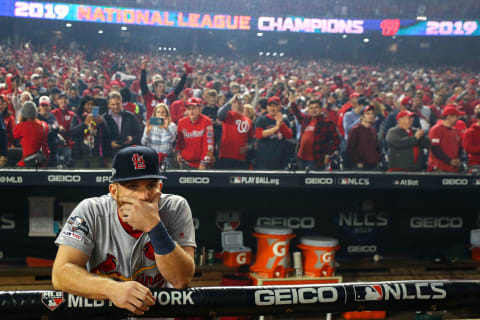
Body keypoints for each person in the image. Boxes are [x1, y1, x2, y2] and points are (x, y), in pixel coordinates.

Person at [52, 145, 196, 317]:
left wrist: (154, 226)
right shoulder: (91, 210)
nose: (144, 196)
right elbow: (61, 273)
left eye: (151, 185)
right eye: (133, 186)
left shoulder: (175, 208)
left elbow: (181, 280)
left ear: (161, 186)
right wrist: (111, 289)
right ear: (114, 191)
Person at [290, 97, 340, 170]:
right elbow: (298, 114)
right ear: (308, 110)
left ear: (321, 109)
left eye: (316, 107)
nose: (314, 110)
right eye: (311, 108)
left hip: (316, 160)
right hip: (300, 157)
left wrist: (328, 155)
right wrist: (292, 103)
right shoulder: (306, 119)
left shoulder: (327, 123)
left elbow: (336, 141)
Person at [103, 91, 143, 166]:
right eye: (113, 104)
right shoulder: (104, 118)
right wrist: (110, 143)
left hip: (129, 154)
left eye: (117, 104)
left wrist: (132, 139)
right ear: (109, 105)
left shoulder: (130, 116)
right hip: (111, 156)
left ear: (121, 103)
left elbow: (139, 133)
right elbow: (100, 138)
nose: (115, 107)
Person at [254, 96, 293, 170]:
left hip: (280, 158)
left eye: (275, 105)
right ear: (267, 107)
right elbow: (259, 135)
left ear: (280, 107)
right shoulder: (261, 119)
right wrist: (276, 128)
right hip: (264, 158)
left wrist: (281, 124)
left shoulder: (284, 120)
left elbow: (289, 136)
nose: (272, 108)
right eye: (270, 106)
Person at [216, 94, 254, 169]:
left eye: (240, 102)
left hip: (241, 158)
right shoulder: (228, 115)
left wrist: (248, 147)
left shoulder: (248, 120)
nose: (239, 104)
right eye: (236, 102)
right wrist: (231, 101)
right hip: (226, 156)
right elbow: (220, 114)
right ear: (232, 104)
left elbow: (251, 139)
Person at [176, 97, 214, 169]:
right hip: (185, 163)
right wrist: (178, 153)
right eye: (189, 109)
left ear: (200, 108)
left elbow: (209, 145)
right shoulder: (181, 122)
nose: (191, 111)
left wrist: (204, 162)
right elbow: (179, 142)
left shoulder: (207, 122)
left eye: (193, 108)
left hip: (202, 164)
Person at [428, 105, 464, 172]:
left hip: (453, 169)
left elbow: (460, 147)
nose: (458, 118)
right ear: (449, 117)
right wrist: (449, 160)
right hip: (439, 169)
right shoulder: (436, 129)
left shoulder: (456, 131)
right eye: (456, 116)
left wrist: (458, 159)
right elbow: (435, 149)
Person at [12, 101, 50, 167]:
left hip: (26, 161)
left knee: (11, 154)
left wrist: (19, 120)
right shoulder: (44, 125)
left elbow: (15, 135)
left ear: (23, 113)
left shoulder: (21, 126)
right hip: (42, 159)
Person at [346, 105, 381, 170]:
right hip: (361, 167)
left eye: (372, 113)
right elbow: (350, 148)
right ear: (362, 116)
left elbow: (377, 147)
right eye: (367, 113)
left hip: (373, 166)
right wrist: (357, 162)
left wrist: (377, 160)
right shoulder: (355, 130)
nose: (370, 116)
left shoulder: (373, 130)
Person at [51, 92, 75, 168]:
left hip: (67, 145)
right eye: (61, 99)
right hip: (54, 145)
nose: (63, 101)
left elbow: (73, 130)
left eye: (65, 99)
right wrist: (58, 128)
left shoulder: (72, 114)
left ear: (68, 101)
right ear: (57, 101)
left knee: (66, 165)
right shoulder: (52, 113)